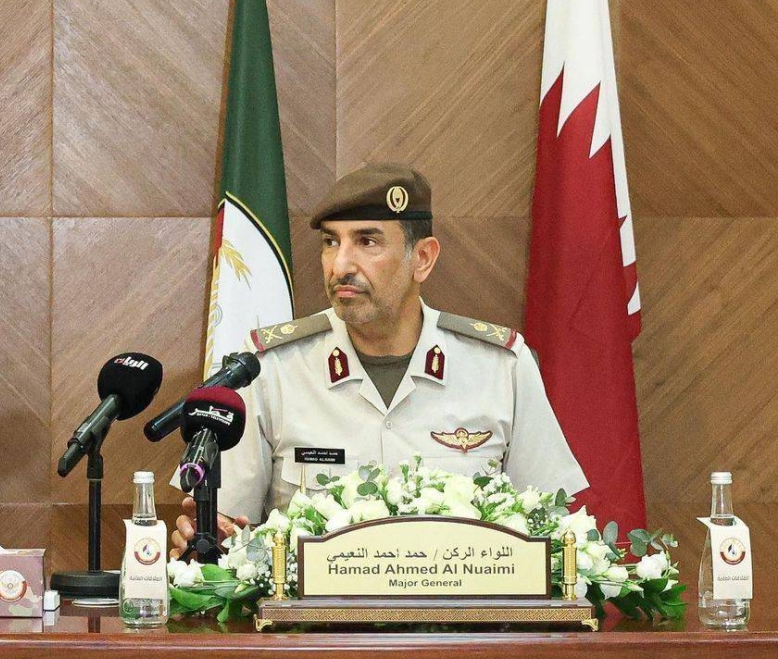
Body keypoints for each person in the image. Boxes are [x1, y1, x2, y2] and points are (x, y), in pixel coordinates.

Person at [170, 163, 587, 558]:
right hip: (312, 632)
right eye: (331, 242)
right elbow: (227, 529)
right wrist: (206, 534)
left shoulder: (500, 367)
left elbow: (551, 532)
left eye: (366, 242)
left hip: (463, 630)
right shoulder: (270, 369)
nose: (341, 265)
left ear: (422, 258)